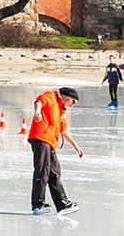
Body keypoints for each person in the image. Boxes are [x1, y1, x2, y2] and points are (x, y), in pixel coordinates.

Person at [28, 86, 83, 216]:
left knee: (54, 172)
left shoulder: (60, 109)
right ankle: (38, 203)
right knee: (42, 171)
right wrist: (37, 112)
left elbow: (62, 129)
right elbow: (39, 101)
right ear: (68, 98)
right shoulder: (52, 96)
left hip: (50, 142)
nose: (72, 105)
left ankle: (62, 203)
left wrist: (76, 146)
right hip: (41, 138)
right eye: (73, 102)